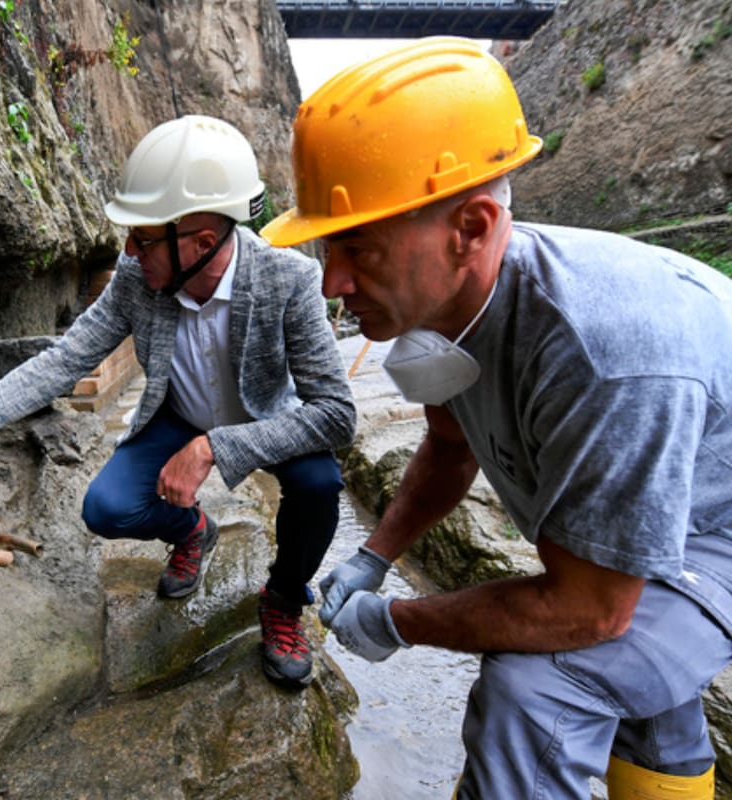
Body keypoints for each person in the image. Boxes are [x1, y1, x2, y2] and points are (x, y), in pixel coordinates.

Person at [262, 36, 732, 799]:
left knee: (538, 687)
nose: (333, 282)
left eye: (360, 250)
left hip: (712, 533)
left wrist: (400, 620)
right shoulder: (447, 308)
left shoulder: (602, 352)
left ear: (473, 228)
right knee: (643, 683)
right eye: (326, 249)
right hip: (665, 509)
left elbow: (588, 609)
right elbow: (450, 449)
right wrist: (373, 557)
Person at [0, 114, 356, 690]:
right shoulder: (136, 277)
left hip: (262, 421)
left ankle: (282, 600)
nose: (128, 250)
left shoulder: (290, 280)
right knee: (105, 509)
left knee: (319, 485)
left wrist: (215, 447)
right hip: (175, 417)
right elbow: (61, 361)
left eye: (144, 237)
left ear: (203, 243)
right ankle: (192, 531)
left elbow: (336, 413)